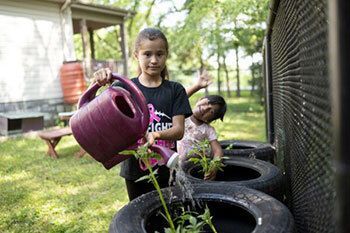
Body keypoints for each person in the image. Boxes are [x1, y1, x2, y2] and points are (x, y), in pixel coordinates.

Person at [93, 28, 192, 201]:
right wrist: (98, 82)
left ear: (166, 55)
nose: (154, 60)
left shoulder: (175, 90)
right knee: (139, 216)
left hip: (166, 168)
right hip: (135, 171)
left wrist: (155, 134)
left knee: (167, 215)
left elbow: (178, 130)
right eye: (147, 54)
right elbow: (95, 115)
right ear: (136, 55)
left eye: (159, 54)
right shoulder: (124, 88)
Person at [178, 83, 227, 180]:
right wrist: (197, 86)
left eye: (211, 111)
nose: (205, 108)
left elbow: (218, 151)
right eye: (208, 103)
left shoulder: (208, 130)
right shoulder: (182, 117)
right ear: (199, 100)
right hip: (178, 165)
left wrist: (214, 166)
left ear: (209, 120)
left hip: (195, 169)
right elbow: (179, 99)